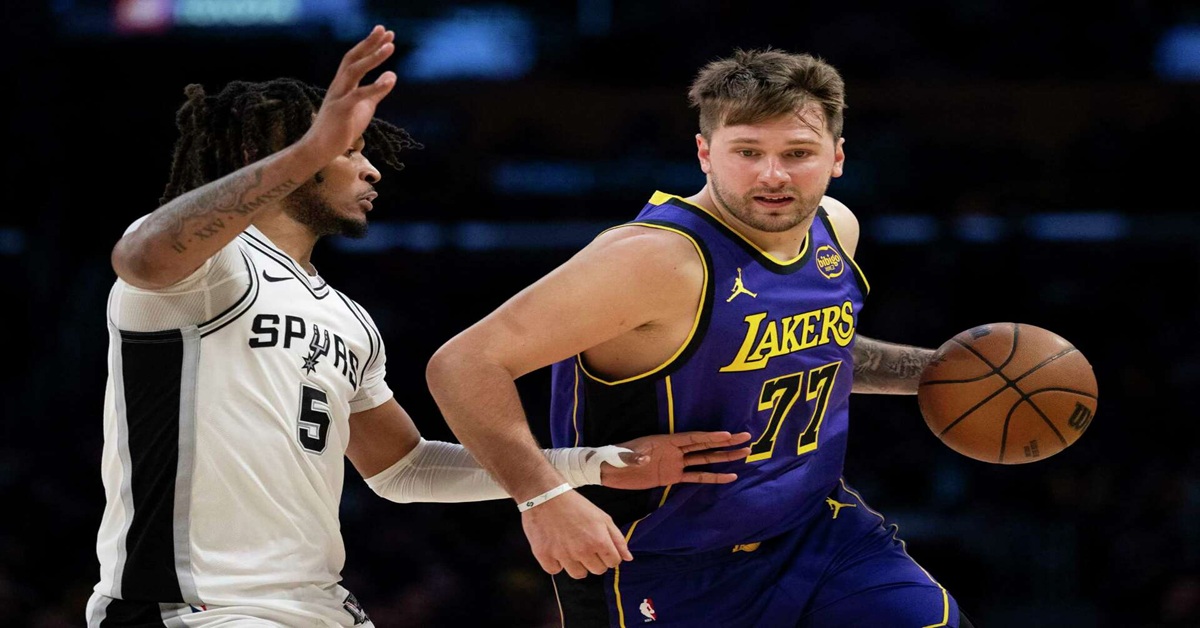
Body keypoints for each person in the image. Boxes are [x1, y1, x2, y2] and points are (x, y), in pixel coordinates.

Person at [87, 26, 752, 628]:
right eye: (351, 151)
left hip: (316, 605)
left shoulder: (348, 319)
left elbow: (404, 469)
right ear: (269, 154)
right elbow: (140, 255)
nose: (373, 168)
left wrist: (593, 466)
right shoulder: (205, 270)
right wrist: (311, 146)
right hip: (196, 608)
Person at [426, 48, 979, 627]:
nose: (773, 175)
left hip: (821, 533)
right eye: (747, 152)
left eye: (797, 153)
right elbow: (464, 363)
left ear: (836, 157)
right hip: (666, 565)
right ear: (704, 153)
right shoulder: (656, 260)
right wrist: (541, 496)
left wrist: (948, 373)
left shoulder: (834, 228)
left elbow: (813, 349)